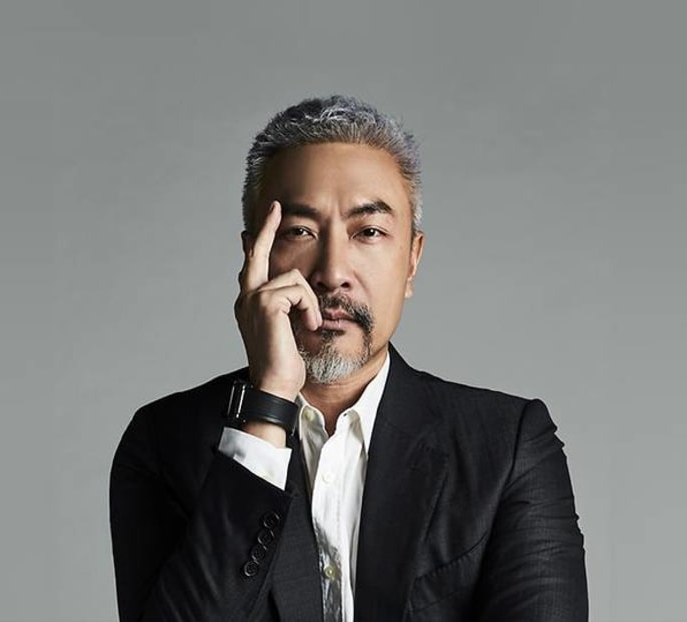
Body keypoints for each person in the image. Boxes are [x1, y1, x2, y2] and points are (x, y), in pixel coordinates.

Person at [109, 95, 588, 621]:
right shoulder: (162, 444)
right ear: (254, 258)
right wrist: (268, 406)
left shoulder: (508, 446)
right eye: (299, 232)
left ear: (411, 261)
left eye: (369, 232)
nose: (332, 272)